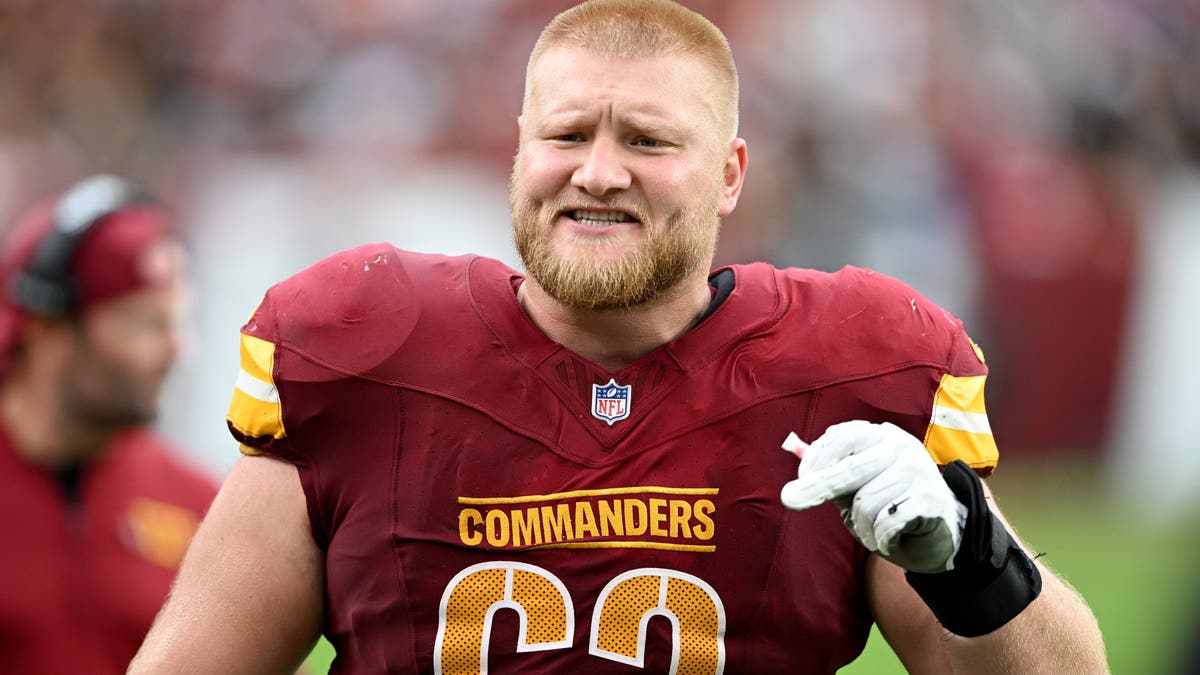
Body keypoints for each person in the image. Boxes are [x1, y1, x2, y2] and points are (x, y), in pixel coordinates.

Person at [132, 1, 1107, 672]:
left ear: (729, 174)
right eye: (568, 136)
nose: (598, 173)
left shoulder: (855, 368)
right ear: (519, 154)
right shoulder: (365, 348)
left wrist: (977, 565)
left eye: (647, 141)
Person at [0, 174, 218, 673]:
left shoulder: (200, 505)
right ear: (48, 328)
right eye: (146, 324)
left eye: (176, 322)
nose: (175, 351)